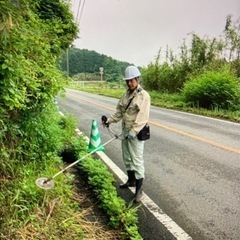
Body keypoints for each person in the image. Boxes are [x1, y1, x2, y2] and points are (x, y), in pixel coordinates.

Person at [102, 65, 151, 203]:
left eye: (132, 80)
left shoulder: (144, 96)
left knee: (137, 161)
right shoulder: (125, 95)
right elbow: (119, 112)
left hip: (136, 133)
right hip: (125, 131)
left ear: (137, 79)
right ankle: (131, 181)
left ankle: (139, 190)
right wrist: (109, 121)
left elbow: (143, 117)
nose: (129, 83)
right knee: (127, 158)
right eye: (127, 81)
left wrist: (133, 132)